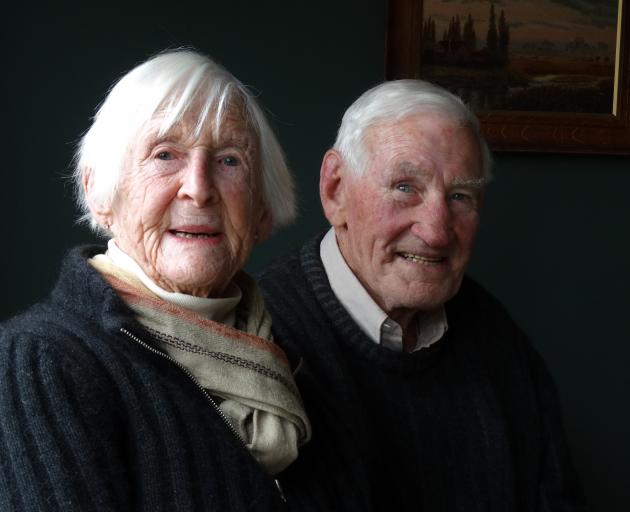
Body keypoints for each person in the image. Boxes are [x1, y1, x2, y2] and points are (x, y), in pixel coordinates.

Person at [0, 49, 311, 511]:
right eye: (165, 155)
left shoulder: (290, 352)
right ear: (100, 192)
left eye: (229, 160)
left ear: (262, 211)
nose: (199, 187)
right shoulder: (43, 361)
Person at [257, 80, 587, 511]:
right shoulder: (257, 338)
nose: (435, 231)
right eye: (404, 188)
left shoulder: (497, 339)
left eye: (460, 196)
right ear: (335, 189)